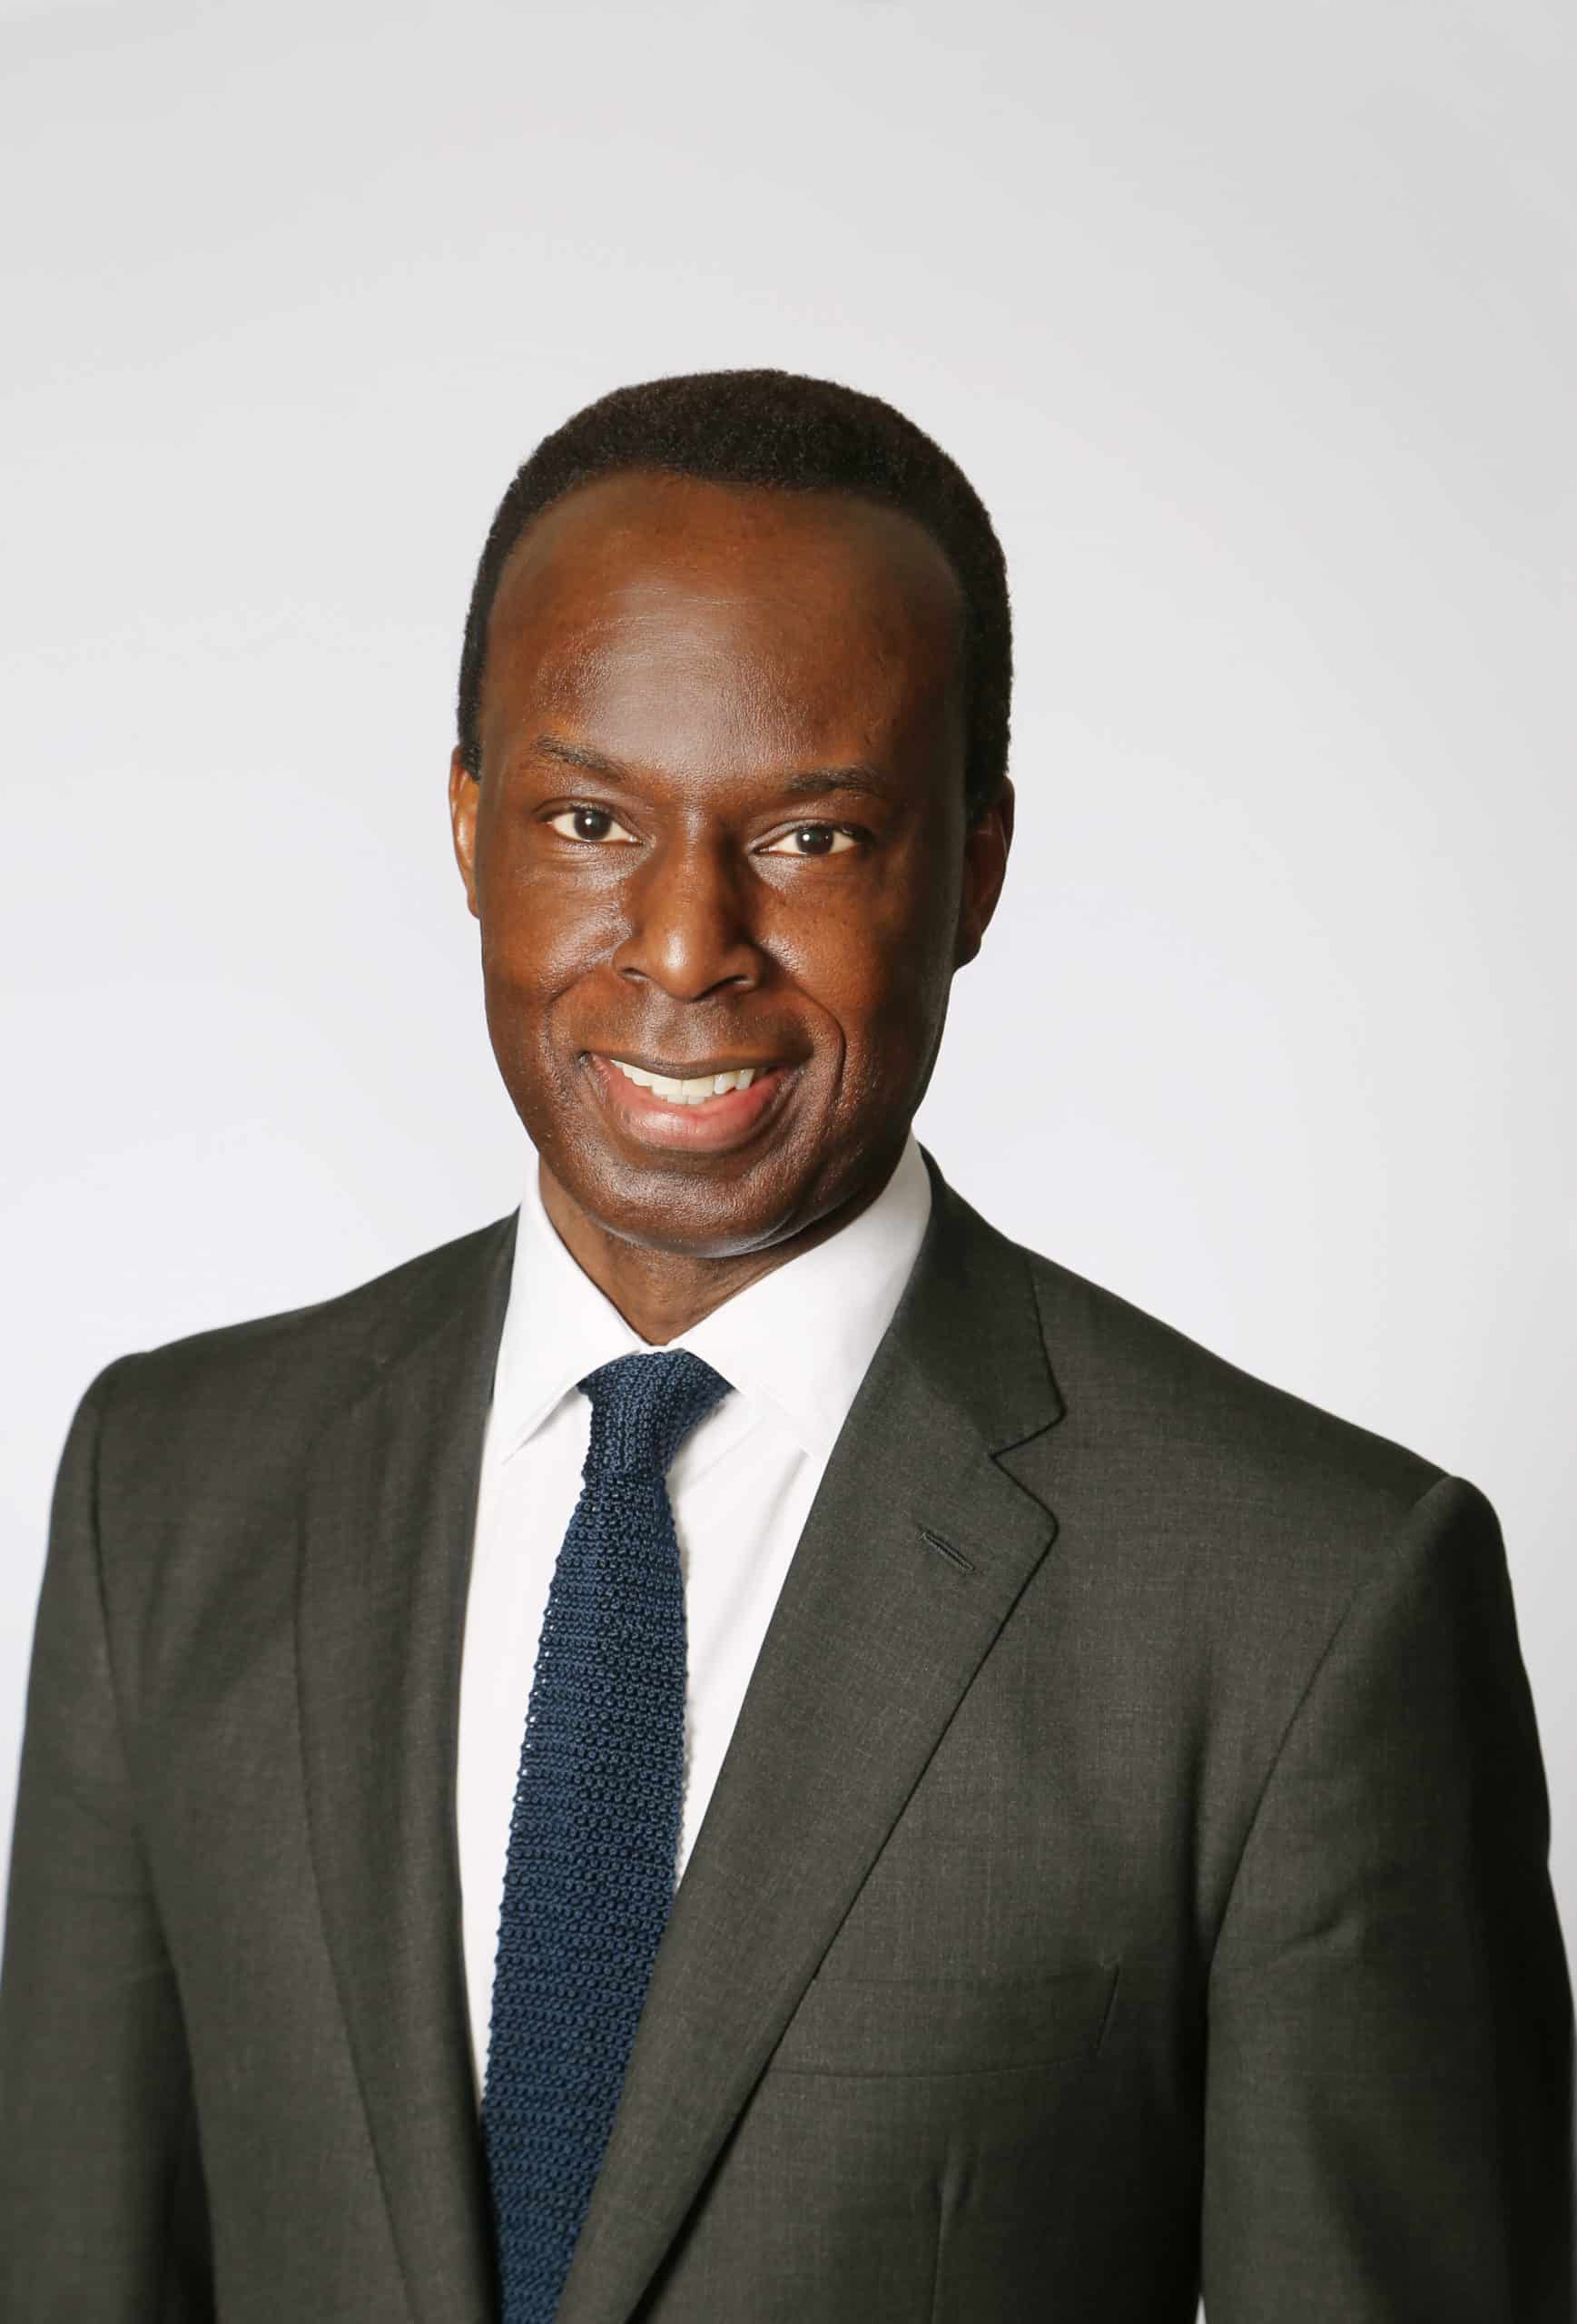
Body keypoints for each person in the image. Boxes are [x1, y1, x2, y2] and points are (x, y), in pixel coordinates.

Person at [1, 369, 1570, 2324]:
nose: (682, 943)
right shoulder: (168, 1490)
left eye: (813, 838)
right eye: (589, 818)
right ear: (471, 830)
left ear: (975, 867)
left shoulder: (1306, 1604)